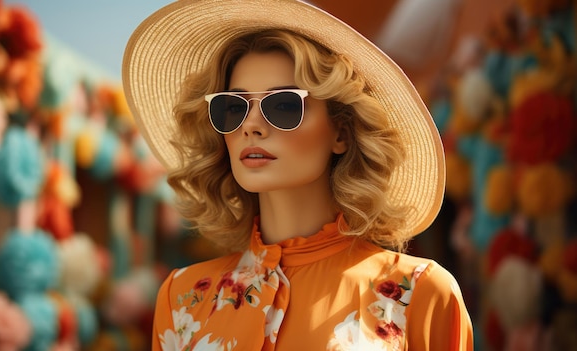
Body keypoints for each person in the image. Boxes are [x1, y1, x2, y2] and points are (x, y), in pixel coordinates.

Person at [122, 0, 473, 350]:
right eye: (233, 107)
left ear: (342, 132)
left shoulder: (420, 294)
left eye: (284, 105)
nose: (252, 125)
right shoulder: (182, 299)